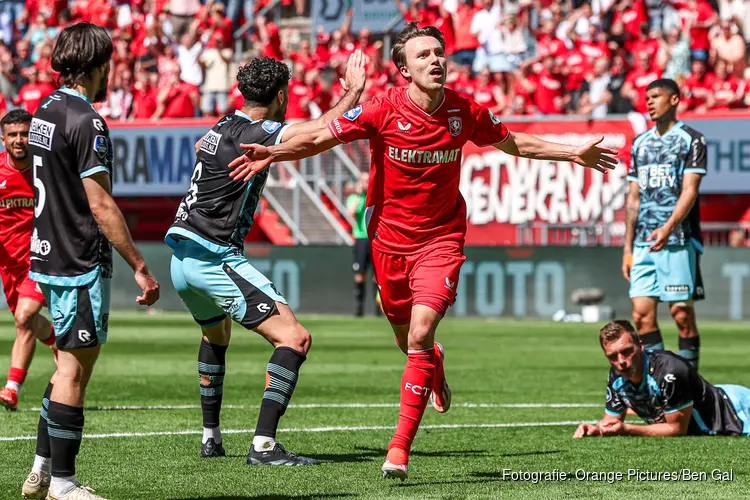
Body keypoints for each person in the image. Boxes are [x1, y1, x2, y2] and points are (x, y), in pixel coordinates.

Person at [228, 22, 618, 480]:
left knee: (418, 335)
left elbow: (514, 143)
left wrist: (572, 153)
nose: (436, 60)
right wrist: (274, 154)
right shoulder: (381, 110)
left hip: (441, 238)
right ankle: (434, 364)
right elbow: (320, 137)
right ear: (404, 70)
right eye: (423, 56)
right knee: (406, 339)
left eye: (439, 53)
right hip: (389, 243)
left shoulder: (464, 111)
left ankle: (398, 450)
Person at [166, 52, 366, 466]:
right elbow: (315, 131)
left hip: (180, 259)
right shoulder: (261, 129)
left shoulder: (221, 125)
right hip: (213, 256)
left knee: (215, 336)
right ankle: (263, 446)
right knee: (295, 338)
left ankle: (211, 438)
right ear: (280, 96)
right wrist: (353, 94)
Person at [22, 22, 160, 500]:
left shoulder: (44, 108)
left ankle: (42, 470)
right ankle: (63, 482)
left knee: (65, 364)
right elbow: (100, 204)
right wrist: (140, 265)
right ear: (100, 65)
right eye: (108, 64)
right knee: (75, 371)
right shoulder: (87, 120)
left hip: (49, 253)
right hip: (76, 259)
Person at [622, 78, 706, 370]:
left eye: (656, 96)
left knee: (682, 315)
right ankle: (658, 382)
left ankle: (689, 386)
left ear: (674, 100)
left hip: (678, 240)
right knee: (641, 315)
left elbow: (690, 191)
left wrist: (669, 226)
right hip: (644, 243)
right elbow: (633, 198)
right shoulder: (640, 143)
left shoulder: (692, 139)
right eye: (647, 97)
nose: (649, 102)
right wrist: (627, 249)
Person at [574, 320, 750, 438]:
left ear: (640, 346)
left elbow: (677, 429)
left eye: (627, 351)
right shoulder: (616, 375)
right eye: (612, 356)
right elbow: (612, 421)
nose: (621, 362)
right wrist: (596, 429)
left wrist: (628, 429)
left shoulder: (670, 372)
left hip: (737, 411)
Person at [0, 110, 57, 411]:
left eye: (24, 133)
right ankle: (57, 341)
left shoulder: (44, 168)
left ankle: (11, 388)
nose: (19, 140)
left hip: (39, 257)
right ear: (3, 138)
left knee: (24, 319)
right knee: (28, 321)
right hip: (7, 265)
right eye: (13, 135)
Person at [347, 171, 377, 317]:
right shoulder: (355, 198)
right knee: (360, 274)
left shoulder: (374, 197)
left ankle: (378, 310)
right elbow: (351, 213)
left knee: (377, 275)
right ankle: (359, 308)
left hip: (375, 239)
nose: (365, 183)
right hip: (361, 239)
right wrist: (359, 195)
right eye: (363, 181)